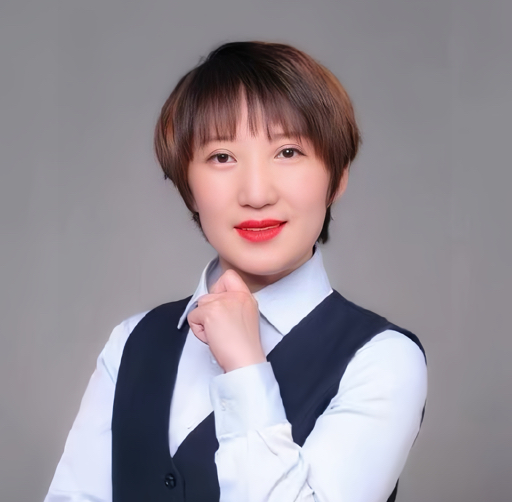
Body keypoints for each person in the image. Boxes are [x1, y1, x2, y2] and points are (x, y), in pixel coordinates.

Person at [45, 41, 427, 502]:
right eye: (222, 157)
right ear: (188, 186)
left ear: (337, 178)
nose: (256, 193)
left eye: (288, 151)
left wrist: (245, 368)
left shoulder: (383, 359)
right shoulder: (132, 342)